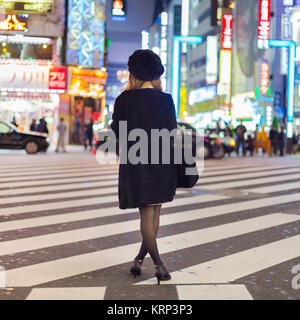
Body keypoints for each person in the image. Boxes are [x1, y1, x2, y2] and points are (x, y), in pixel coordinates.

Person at [110, 49, 178, 285]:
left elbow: (116, 133)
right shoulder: (166, 99)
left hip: (136, 161)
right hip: (163, 160)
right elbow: (172, 132)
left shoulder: (124, 99)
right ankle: (140, 260)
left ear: (133, 75)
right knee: (155, 213)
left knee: (145, 215)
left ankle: (158, 264)